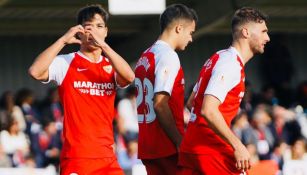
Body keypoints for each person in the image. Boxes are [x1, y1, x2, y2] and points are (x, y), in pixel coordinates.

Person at [28, 4, 134, 175]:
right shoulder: (66, 62)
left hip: (107, 158)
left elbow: (129, 77)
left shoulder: (111, 65)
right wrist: (63, 40)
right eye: (88, 27)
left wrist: (104, 46)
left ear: (106, 31)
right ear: (79, 31)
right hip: (77, 158)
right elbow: (35, 71)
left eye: (99, 27)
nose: (94, 32)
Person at [178, 7, 270, 175]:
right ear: (246, 32)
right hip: (209, 149)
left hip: (194, 147)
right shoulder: (230, 64)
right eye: (263, 31)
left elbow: (192, 102)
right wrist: (237, 144)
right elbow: (208, 110)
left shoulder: (218, 57)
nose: (267, 38)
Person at [134, 4, 197, 175]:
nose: (191, 38)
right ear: (179, 28)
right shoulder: (168, 55)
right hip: (166, 146)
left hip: (149, 144)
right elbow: (160, 104)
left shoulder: (145, 56)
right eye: (190, 33)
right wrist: (179, 141)